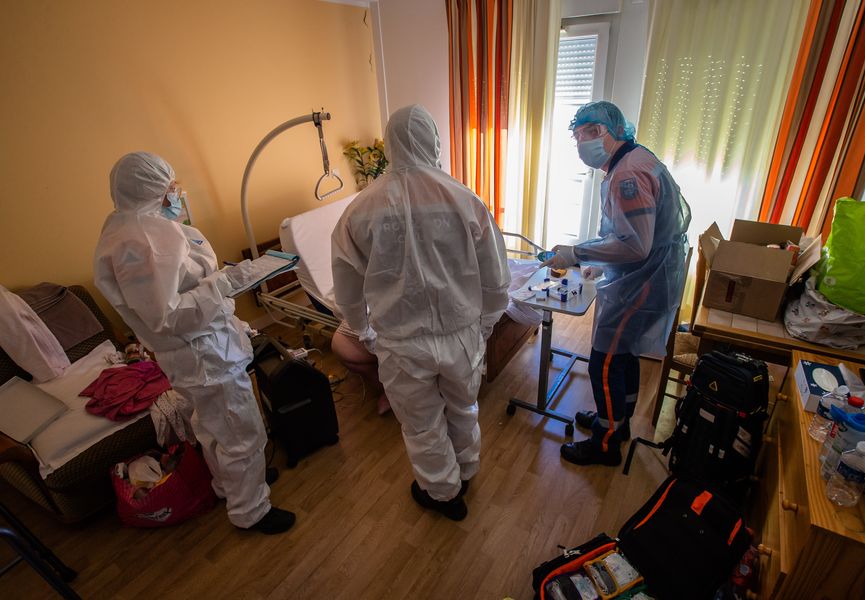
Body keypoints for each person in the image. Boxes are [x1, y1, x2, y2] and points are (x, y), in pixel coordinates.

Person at [94, 152, 295, 534]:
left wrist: (219, 282)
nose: (177, 191)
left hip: (193, 353)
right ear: (150, 187)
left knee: (211, 425)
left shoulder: (130, 229)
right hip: (203, 352)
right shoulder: (144, 240)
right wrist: (223, 284)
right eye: (170, 184)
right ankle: (251, 510)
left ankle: (231, 484)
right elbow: (167, 316)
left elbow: (178, 288)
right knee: (240, 431)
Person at [331, 105, 511, 521]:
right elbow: (495, 275)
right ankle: (465, 471)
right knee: (462, 407)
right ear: (434, 140)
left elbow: (347, 287)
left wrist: (363, 330)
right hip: (461, 333)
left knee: (421, 423)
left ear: (390, 144)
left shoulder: (360, 209)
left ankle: (442, 491)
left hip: (401, 342)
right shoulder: (464, 198)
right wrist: (485, 323)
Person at [542, 101, 691, 467]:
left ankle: (606, 443)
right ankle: (617, 423)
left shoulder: (628, 175)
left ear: (614, 131)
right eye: (578, 135)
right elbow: (630, 232)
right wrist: (599, 261)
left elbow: (635, 245)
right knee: (624, 354)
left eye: (590, 132)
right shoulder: (634, 159)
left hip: (644, 281)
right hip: (646, 276)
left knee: (604, 363)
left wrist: (577, 254)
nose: (582, 142)